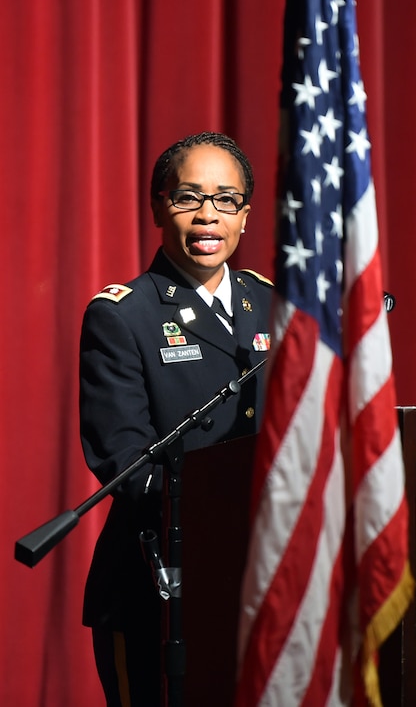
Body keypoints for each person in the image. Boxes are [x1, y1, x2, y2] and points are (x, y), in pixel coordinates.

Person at [79, 132, 273, 706]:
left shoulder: (272, 305)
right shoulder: (124, 315)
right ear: (159, 206)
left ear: (245, 215)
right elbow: (125, 461)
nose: (208, 215)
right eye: (188, 197)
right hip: (158, 578)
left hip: (263, 572)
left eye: (226, 199)